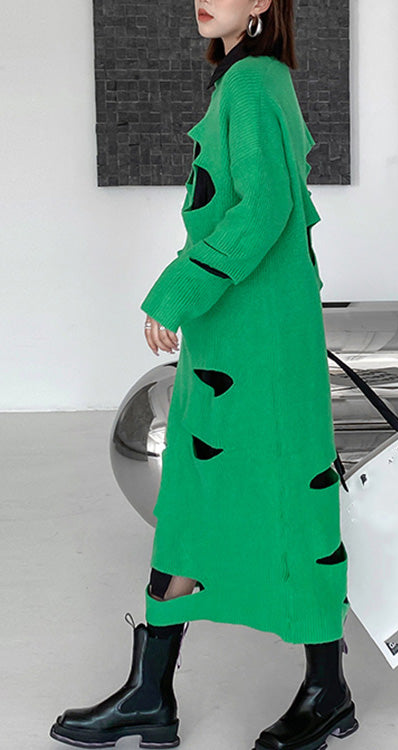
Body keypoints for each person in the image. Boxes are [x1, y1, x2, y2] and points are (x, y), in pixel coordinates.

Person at [49, 1, 359, 748]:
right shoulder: (258, 77)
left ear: (263, 3)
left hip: (256, 346)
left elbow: (266, 207)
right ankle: (152, 692)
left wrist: (178, 289)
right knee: (205, 497)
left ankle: (324, 691)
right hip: (242, 337)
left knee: (283, 501)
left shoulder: (250, 83)